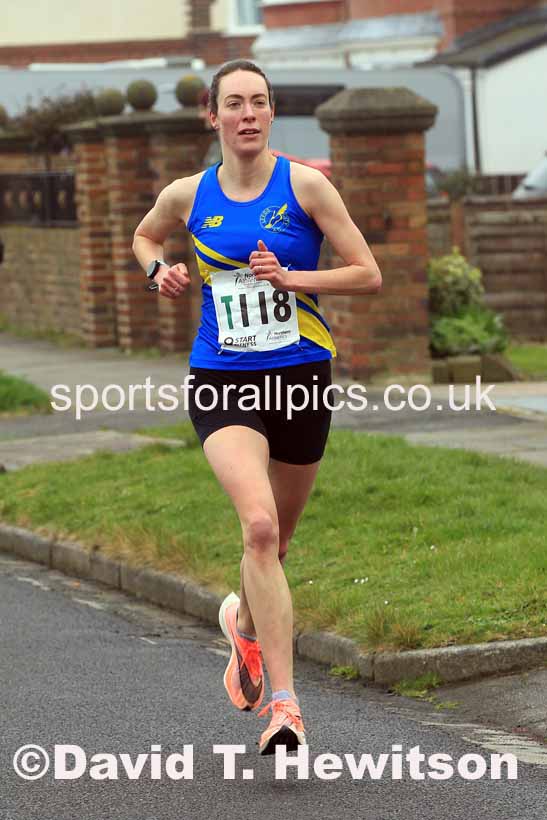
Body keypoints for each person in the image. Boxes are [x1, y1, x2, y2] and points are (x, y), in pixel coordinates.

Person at [132, 59, 381, 756]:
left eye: (259, 103)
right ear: (211, 115)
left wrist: (292, 276)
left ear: (271, 115)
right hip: (221, 378)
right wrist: (160, 269)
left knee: (279, 541)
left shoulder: (305, 185)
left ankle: (241, 623)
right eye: (234, 103)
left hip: (299, 377)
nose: (247, 113)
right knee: (260, 529)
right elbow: (145, 235)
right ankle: (286, 706)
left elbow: (367, 271)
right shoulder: (187, 194)